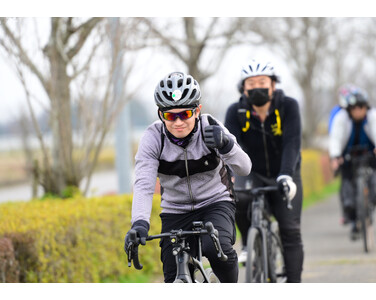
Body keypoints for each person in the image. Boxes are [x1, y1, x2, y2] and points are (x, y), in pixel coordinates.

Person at [124, 71, 252, 283]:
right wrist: (139, 224)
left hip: (215, 203)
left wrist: (226, 145)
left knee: (218, 251)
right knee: (172, 274)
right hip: (176, 211)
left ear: (197, 111)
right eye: (170, 115)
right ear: (160, 114)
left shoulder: (211, 127)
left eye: (184, 114)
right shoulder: (153, 138)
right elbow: (144, 185)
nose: (178, 122)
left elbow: (245, 168)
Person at [224, 59, 304, 283]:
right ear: (243, 88)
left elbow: (292, 143)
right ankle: (249, 242)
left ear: (273, 86)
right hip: (252, 173)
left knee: (290, 230)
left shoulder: (288, 106)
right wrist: (231, 175)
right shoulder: (235, 112)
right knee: (237, 198)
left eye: (262, 82)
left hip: (286, 171)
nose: (257, 87)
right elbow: (232, 148)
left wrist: (286, 174)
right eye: (251, 83)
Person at [329, 84, 376, 240]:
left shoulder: (372, 116)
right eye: (354, 108)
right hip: (348, 155)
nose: (358, 111)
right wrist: (335, 156)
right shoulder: (341, 119)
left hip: (370, 153)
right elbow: (336, 138)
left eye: (361, 107)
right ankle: (351, 216)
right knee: (347, 182)